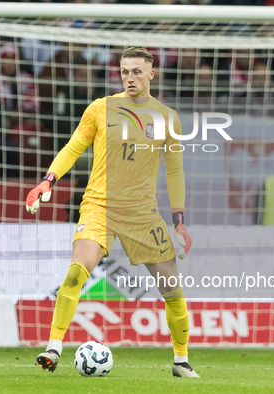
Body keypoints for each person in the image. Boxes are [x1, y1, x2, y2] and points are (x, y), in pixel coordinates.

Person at [25, 47, 198, 378]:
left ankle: (181, 361)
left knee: (172, 291)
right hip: (99, 205)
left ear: (151, 74)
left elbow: (174, 171)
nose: (129, 78)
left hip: (143, 215)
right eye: (124, 72)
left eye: (136, 71)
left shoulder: (167, 117)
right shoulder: (101, 109)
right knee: (77, 272)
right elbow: (74, 146)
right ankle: (53, 348)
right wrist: (48, 180)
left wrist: (179, 220)